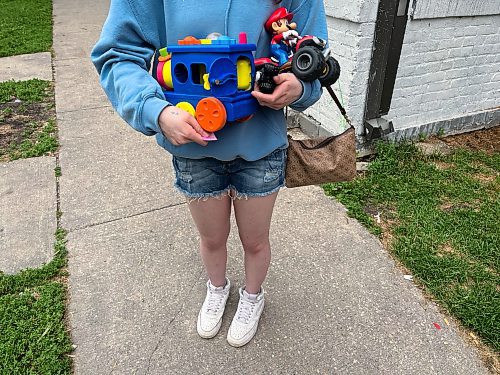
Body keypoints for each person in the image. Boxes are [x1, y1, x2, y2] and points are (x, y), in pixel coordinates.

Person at [91, 0, 328, 347]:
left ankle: (252, 296)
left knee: (256, 240)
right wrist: (154, 110)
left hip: (260, 146)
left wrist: (301, 85)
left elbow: (314, 57)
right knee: (212, 238)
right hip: (193, 147)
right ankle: (217, 288)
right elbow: (119, 53)